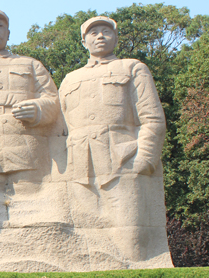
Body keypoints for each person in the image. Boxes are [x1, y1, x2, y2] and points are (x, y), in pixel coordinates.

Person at [59, 16, 167, 262]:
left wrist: (145, 160)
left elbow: (152, 118)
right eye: (93, 32)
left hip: (122, 162)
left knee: (130, 240)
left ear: (116, 38)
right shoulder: (69, 79)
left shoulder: (132, 68)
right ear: (83, 41)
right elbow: (60, 129)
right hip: (79, 168)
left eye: (106, 31)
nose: (100, 36)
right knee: (85, 243)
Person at [0, 8, 60, 182]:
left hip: (25, 143)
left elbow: (52, 99)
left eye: (0, 26)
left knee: (30, 189)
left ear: (8, 34)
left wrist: (38, 109)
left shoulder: (30, 64)